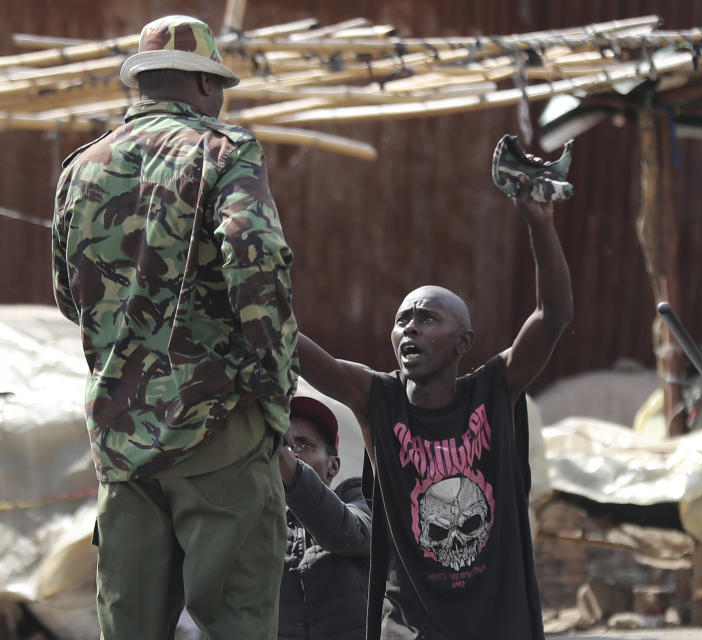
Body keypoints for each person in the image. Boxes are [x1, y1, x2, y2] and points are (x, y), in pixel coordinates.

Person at [51, 15, 298, 640]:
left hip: (122, 443)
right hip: (218, 428)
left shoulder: (79, 170)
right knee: (236, 624)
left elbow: (68, 299)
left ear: (143, 84)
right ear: (203, 87)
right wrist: (272, 387)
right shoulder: (224, 151)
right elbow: (257, 264)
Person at [296, 174, 573, 639]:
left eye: (427, 319)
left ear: (463, 341)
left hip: (495, 623)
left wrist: (539, 225)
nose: (411, 329)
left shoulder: (493, 391)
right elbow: (298, 351)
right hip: (411, 625)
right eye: (403, 320)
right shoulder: (376, 399)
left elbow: (553, 318)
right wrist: (249, 289)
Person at [277, 395, 372, 640]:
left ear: (334, 465)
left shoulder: (360, 497)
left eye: (303, 444)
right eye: (284, 443)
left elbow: (353, 533)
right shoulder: (259, 518)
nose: (291, 453)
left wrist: (291, 470)